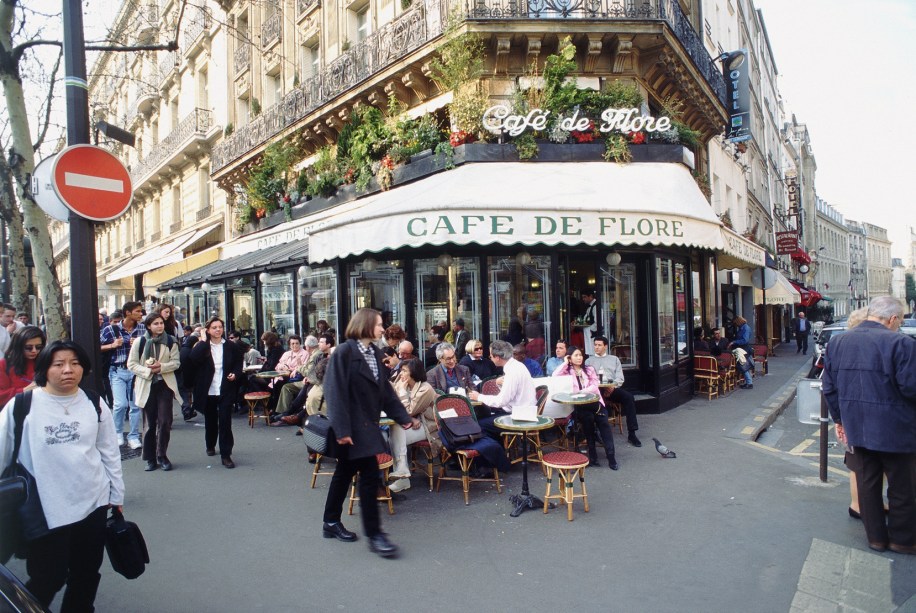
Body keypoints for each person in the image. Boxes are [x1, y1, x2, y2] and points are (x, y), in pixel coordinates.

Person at [0, 340, 124, 611]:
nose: (68, 370)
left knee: (87, 574)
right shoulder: (22, 406)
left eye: (75, 363)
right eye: (59, 364)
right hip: (45, 508)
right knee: (48, 576)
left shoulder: (94, 402)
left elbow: (109, 451)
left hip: (93, 502)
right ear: (45, 368)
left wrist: (116, 494)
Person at [822, 296, 916, 555]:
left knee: (867, 485)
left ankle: (875, 538)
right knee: (902, 487)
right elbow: (911, 388)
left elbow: (829, 388)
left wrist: (840, 419)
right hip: (897, 430)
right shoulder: (902, 343)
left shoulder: (838, 342)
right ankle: (903, 540)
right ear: (893, 319)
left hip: (858, 427)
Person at [321, 307, 418, 558]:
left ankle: (330, 522)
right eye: (378, 324)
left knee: (344, 473)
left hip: (365, 426)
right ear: (365, 325)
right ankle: (375, 535)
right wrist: (342, 429)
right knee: (369, 475)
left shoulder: (374, 352)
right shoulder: (344, 351)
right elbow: (334, 391)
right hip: (352, 428)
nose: (382, 328)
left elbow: (384, 392)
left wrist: (403, 418)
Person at [128, 312, 181, 472]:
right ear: (149, 326)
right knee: (150, 424)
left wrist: (161, 367)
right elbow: (131, 364)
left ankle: (162, 455)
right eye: (156, 323)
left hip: (164, 385)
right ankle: (150, 457)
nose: (159, 326)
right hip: (146, 385)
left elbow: (176, 362)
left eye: (161, 323)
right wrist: (147, 370)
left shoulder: (171, 341)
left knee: (165, 422)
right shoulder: (141, 341)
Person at [553, 345, 618, 469]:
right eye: (576, 355)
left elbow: (595, 385)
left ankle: (611, 457)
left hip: (596, 404)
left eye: (580, 355)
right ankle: (593, 457)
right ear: (570, 358)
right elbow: (554, 376)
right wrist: (565, 362)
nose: (579, 358)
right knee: (587, 423)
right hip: (580, 407)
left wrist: (581, 392)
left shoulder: (589, 369)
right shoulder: (567, 372)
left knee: (604, 424)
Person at [190, 317, 243, 469]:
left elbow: (239, 363)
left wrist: (235, 373)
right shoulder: (203, 346)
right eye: (214, 327)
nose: (218, 330)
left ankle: (226, 454)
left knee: (225, 421)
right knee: (211, 420)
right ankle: (210, 444)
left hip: (225, 388)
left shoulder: (231, 346)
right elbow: (193, 359)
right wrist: (202, 340)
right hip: (208, 389)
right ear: (208, 330)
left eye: (220, 327)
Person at [99, 301, 146, 448]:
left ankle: (133, 435)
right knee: (120, 404)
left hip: (136, 371)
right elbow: (98, 346)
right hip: (117, 370)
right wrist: (112, 345)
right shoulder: (111, 329)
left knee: (135, 405)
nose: (141, 314)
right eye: (137, 311)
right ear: (128, 313)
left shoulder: (143, 329)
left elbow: (151, 349)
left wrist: (140, 345)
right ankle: (117, 433)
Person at [388, 359, 439, 492]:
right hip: (410, 424)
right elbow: (390, 405)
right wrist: (410, 419)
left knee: (395, 435)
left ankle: (402, 478)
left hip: (427, 426)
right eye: (401, 370)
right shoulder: (400, 384)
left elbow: (410, 410)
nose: (401, 374)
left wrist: (402, 393)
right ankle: (402, 473)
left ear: (414, 373)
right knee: (394, 430)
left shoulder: (425, 388)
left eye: (405, 371)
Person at [469, 339, 536, 440]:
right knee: (487, 415)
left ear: (497, 358)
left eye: (490, 356)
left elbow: (501, 401)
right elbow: (512, 393)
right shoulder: (518, 366)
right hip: (524, 411)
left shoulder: (512, 372)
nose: (490, 358)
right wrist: (499, 384)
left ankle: (496, 453)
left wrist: (479, 396)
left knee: (479, 424)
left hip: (518, 416)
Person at [586, 336, 642, 447]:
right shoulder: (589, 361)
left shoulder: (614, 359)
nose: (596, 347)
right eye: (595, 345)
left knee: (629, 397)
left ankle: (632, 433)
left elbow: (620, 377)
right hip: (596, 390)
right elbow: (587, 380)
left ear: (605, 346)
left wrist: (612, 387)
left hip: (612, 389)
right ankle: (597, 433)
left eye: (599, 345)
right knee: (593, 403)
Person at [0, 326, 45, 407]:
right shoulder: (4, 364)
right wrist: (24, 390)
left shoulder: (46, 362)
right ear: (18, 346)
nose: (34, 350)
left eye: (38, 347)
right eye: (28, 347)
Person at [728, 315, 754, 389]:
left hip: (743, 349)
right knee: (745, 366)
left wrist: (734, 342)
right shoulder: (743, 328)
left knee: (743, 366)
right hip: (743, 349)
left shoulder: (745, 328)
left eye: (735, 323)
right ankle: (749, 382)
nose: (735, 325)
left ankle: (749, 383)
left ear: (738, 322)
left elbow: (745, 340)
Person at [578, 289, 600, 357]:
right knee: (591, 353)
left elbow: (597, 323)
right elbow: (585, 319)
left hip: (593, 335)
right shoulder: (589, 307)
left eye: (585, 297)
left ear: (590, 296)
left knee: (594, 353)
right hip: (589, 335)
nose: (583, 299)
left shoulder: (596, 307)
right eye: (582, 297)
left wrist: (590, 330)